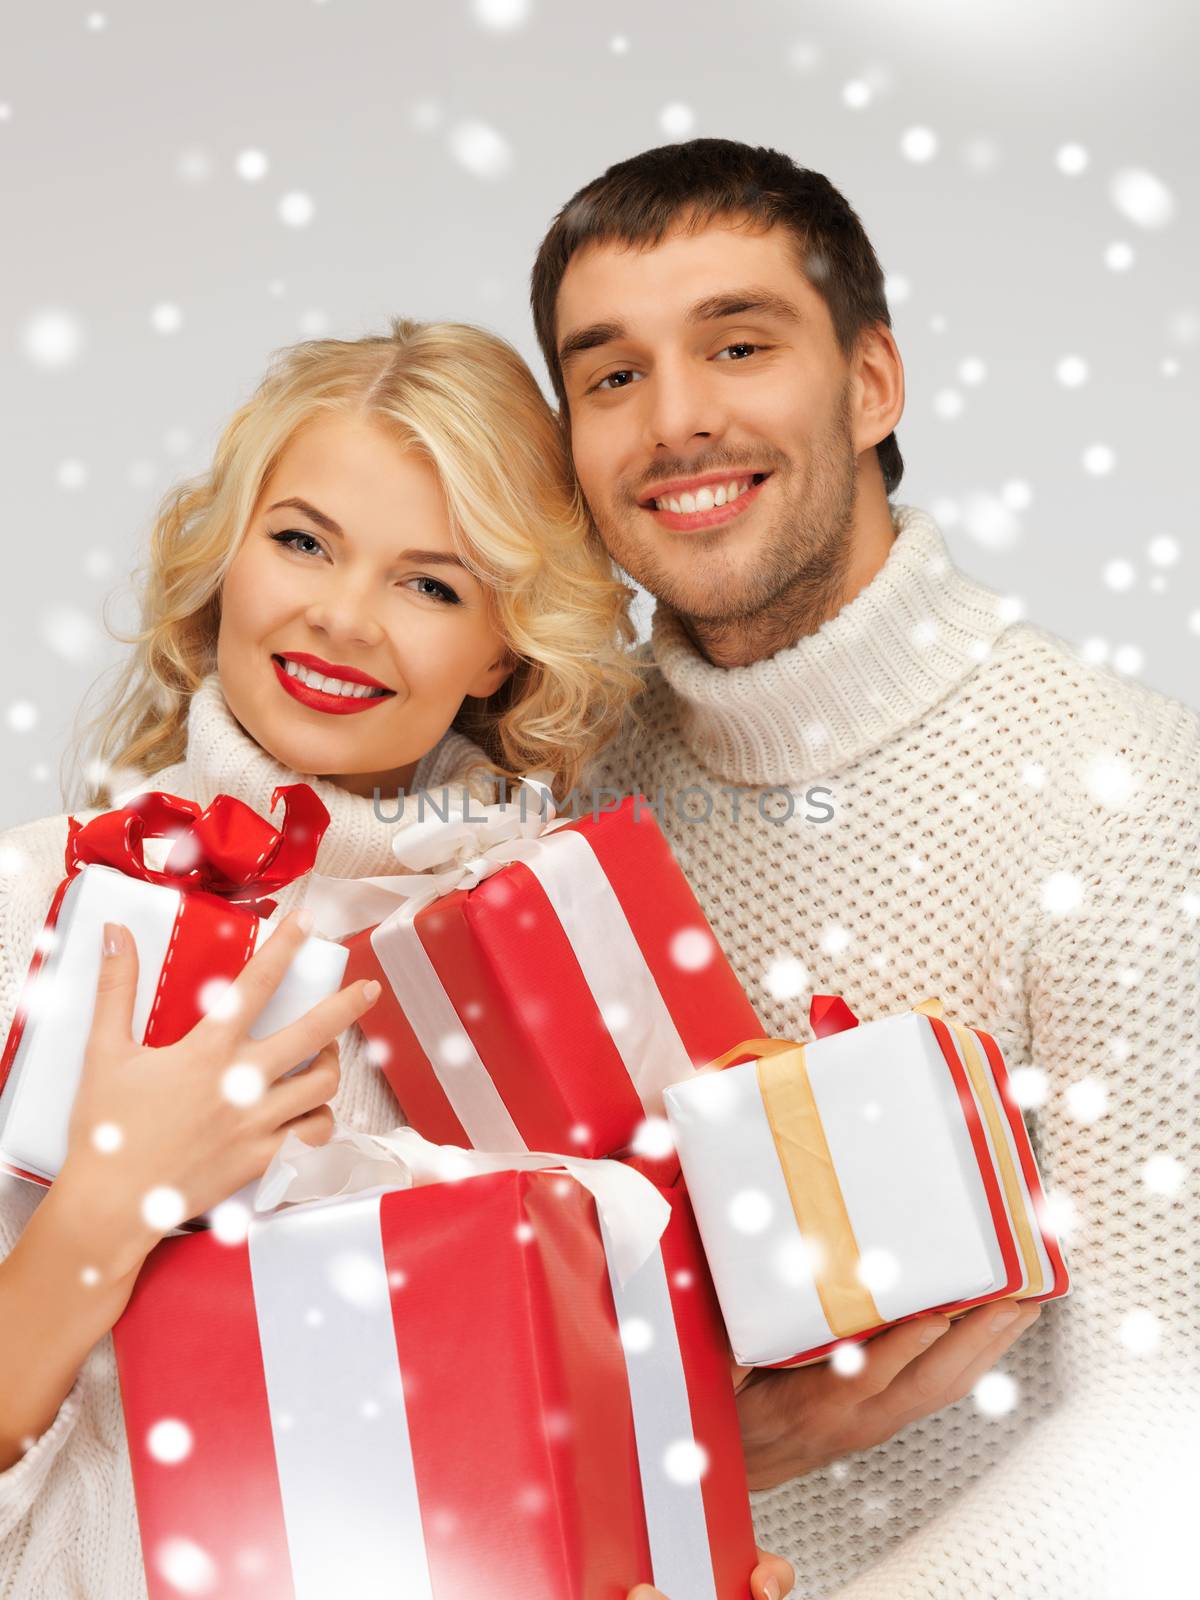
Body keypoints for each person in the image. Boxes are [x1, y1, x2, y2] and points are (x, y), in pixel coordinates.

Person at [0, 318, 791, 1598]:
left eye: (432, 583)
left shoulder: (564, 962)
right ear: (225, 554)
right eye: (303, 540)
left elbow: (611, 1421)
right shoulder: (34, 897)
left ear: (503, 644)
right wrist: (110, 1207)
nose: (343, 616)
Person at [530, 138, 1200, 1597]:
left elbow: (1175, 1415)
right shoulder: (558, 791)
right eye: (612, 376)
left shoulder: (1128, 797)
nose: (677, 421)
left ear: (873, 384)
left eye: (740, 343)